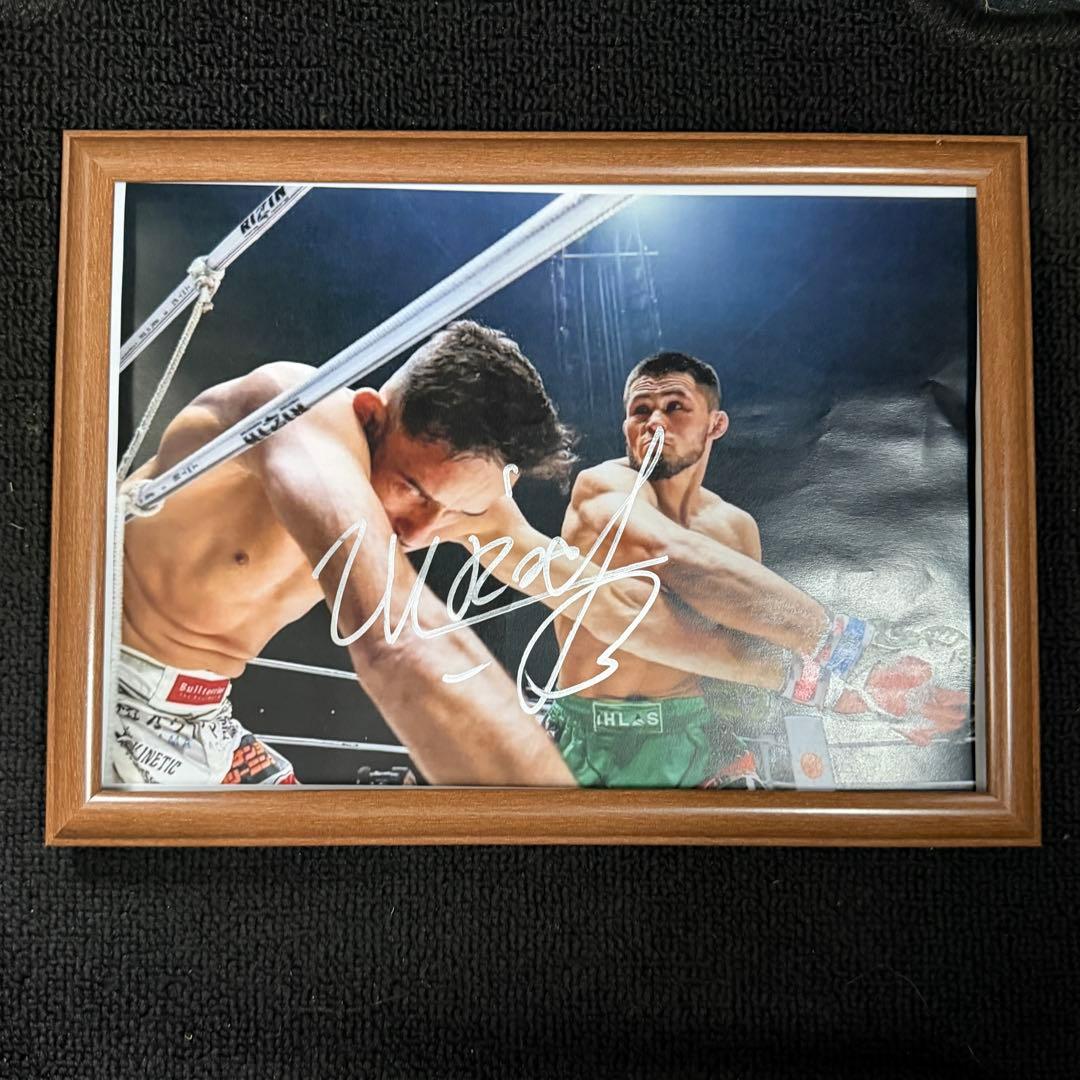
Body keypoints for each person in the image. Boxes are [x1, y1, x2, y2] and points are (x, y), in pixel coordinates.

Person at [114, 320, 590, 787]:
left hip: (205, 716)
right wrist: (563, 822)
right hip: (104, 685)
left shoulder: (460, 494)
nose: (420, 532)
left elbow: (592, 595)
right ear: (370, 416)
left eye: (458, 511)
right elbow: (397, 637)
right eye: (413, 490)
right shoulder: (294, 410)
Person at [518, 350, 970, 788]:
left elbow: (737, 651)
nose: (654, 421)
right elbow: (669, 551)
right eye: (640, 410)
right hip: (586, 732)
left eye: (674, 407)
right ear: (626, 427)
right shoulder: (601, 486)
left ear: (715, 424)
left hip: (689, 736)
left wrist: (857, 696)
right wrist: (854, 653)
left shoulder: (735, 529)